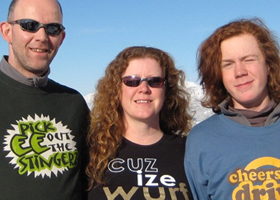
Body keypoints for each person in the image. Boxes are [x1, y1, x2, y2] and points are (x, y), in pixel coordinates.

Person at [184, 18, 280, 200]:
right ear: (218, 74)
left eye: (249, 59)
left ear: (268, 65)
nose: (240, 71)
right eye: (228, 64)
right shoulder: (203, 140)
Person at [0, 0, 89, 199]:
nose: (41, 37)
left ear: (62, 37)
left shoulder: (73, 102)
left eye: (52, 28)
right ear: (7, 32)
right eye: (29, 25)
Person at [86, 46, 194, 199]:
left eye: (155, 81)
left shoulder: (190, 152)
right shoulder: (92, 152)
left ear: (166, 90)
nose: (144, 88)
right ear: (116, 89)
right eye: (132, 81)